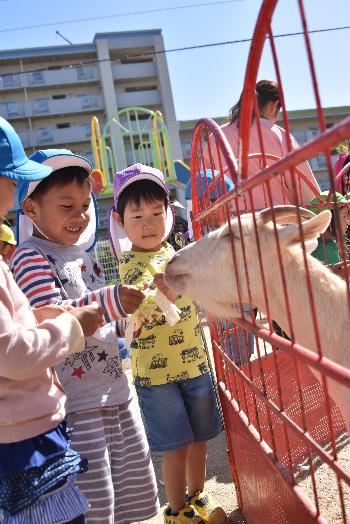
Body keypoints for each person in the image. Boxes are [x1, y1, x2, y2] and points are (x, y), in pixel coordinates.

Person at [11, 150, 159, 524]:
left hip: (114, 391)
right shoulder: (29, 258)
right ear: (31, 209)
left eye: (84, 205)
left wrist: (131, 321)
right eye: (66, 206)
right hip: (77, 405)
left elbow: (104, 324)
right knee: (95, 505)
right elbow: (49, 313)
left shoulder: (84, 256)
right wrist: (112, 300)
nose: (79, 216)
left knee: (130, 494)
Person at [0, 116, 105, 523]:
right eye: (10, 182)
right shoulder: (26, 255)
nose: (11, 198)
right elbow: (13, 353)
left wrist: (52, 319)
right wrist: (70, 326)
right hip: (21, 439)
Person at [109, 163, 225, 524]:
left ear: (169, 212)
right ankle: (176, 511)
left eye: (156, 213)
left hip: (193, 363)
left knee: (200, 438)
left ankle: (197, 496)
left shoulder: (177, 254)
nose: (148, 223)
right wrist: (164, 293)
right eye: (137, 215)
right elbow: (141, 310)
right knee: (174, 446)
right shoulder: (130, 264)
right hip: (157, 377)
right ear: (119, 219)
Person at [204, 79, 320, 211]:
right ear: (274, 105)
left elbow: (205, 181)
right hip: (278, 219)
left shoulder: (217, 136)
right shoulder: (279, 134)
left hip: (233, 222)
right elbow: (304, 188)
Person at [309, 191, 349, 266]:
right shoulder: (326, 250)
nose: (347, 221)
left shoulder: (328, 243)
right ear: (329, 219)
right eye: (344, 216)